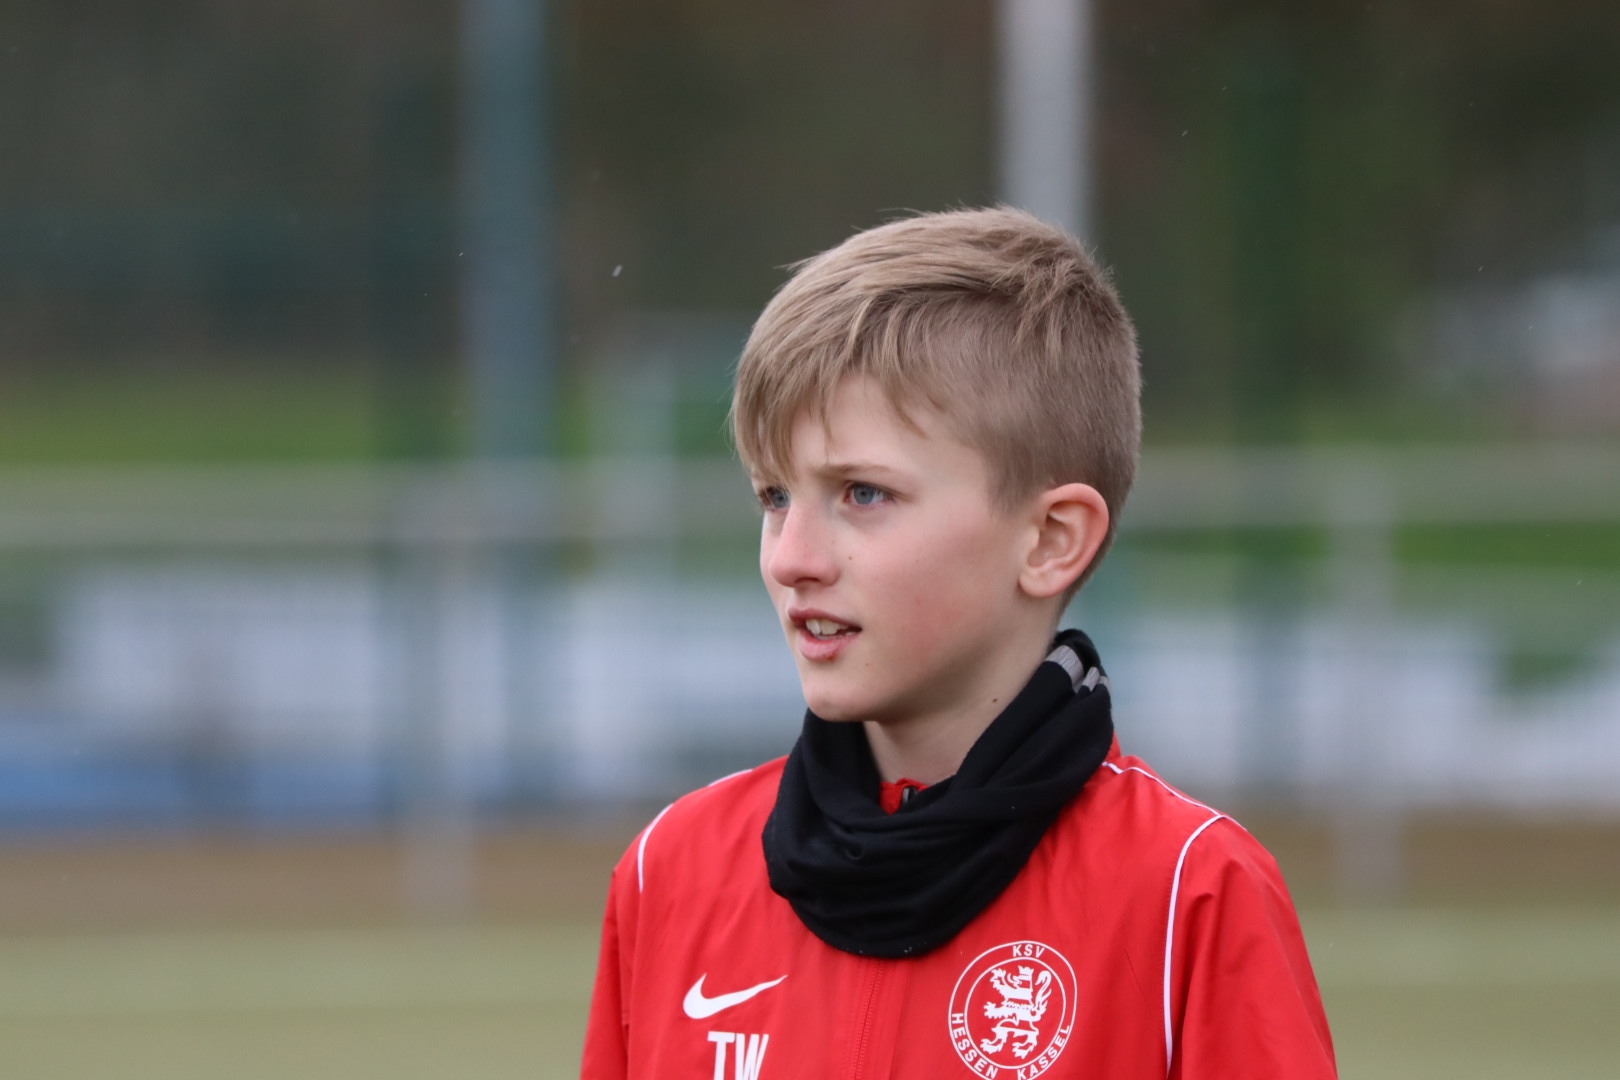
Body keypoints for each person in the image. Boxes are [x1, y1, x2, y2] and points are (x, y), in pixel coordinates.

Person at [581, 207, 1335, 1079]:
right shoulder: (671, 872)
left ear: (1050, 540)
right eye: (775, 497)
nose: (791, 559)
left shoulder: (1188, 895)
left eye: (863, 494)